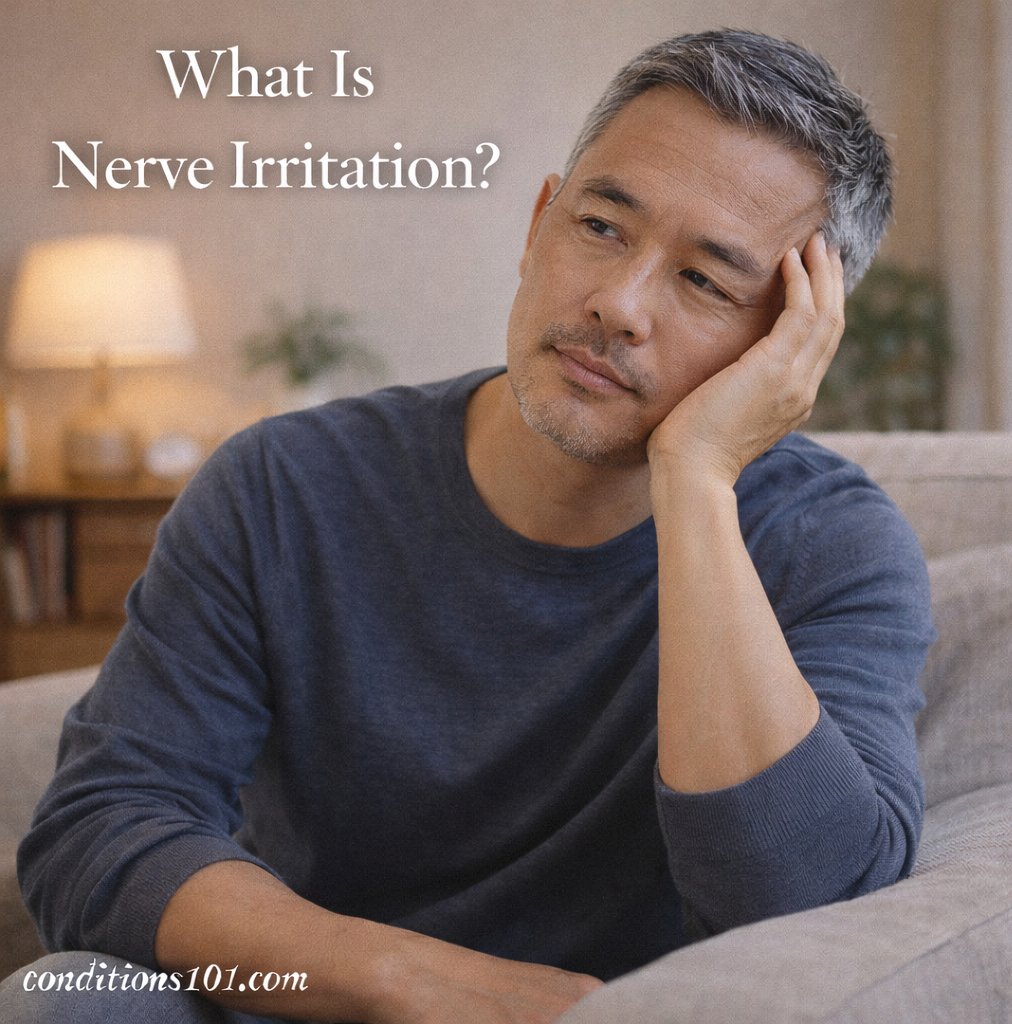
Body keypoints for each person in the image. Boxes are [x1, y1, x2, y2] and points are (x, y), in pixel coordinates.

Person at [5, 28, 933, 1024]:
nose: (617, 303)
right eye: (601, 227)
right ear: (538, 224)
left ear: (791, 341)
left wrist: (699, 481)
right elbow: (99, 830)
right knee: (72, 999)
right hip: (309, 1001)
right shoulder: (280, 486)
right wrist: (406, 981)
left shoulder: (831, 545)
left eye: (706, 281)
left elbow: (806, 909)